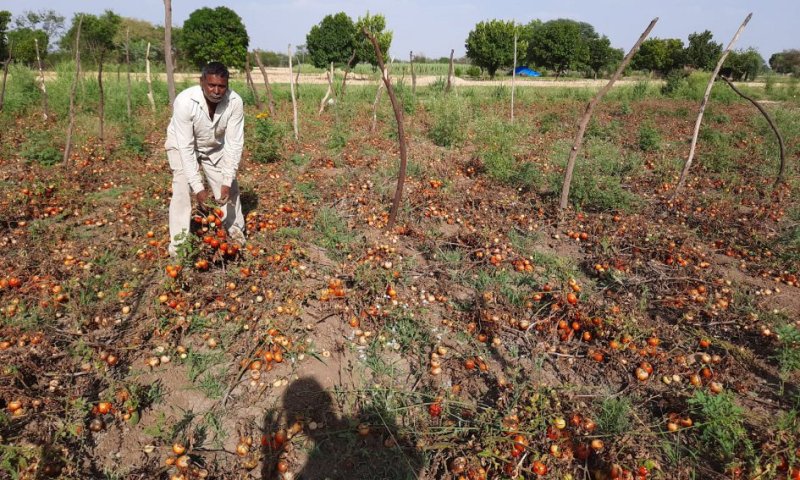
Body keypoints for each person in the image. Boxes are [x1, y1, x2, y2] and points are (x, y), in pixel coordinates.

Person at [165, 61, 246, 256]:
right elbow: (186, 148)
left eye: (221, 86)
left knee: (230, 190)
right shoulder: (185, 102)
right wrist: (198, 188)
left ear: (227, 85)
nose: (217, 91)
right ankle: (179, 247)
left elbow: (234, 144)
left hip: (213, 145)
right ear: (202, 82)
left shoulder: (234, 102)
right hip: (182, 144)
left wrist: (226, 180)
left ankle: (235, 234)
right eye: (212, 85)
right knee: (182, 189)